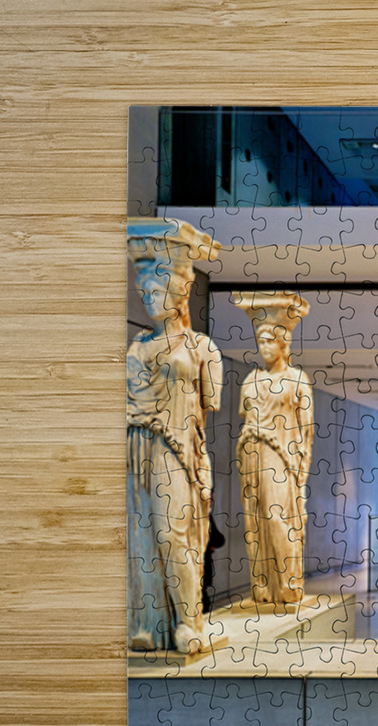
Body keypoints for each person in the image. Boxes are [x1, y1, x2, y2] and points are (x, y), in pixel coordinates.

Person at [126, 219, 223, 653]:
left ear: (181, 290)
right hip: (136, 445)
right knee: (141, 534)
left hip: (178, 448)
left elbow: (204, 410)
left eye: (157, 290)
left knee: (172, 534)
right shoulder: (136, 347)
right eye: (143, 292)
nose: (148, 299)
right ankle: (151, 620)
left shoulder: (202, 348)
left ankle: (189, 621)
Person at [232, 291, 314, 606]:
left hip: (282, 459)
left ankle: (289, 583)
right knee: (255, 521)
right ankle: (264, 587)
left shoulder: (298, 380)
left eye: (270, 341)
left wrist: (300, 474)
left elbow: (306, 433)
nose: (264, 347)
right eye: (260, 341)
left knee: (277, 517)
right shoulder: (251, 381)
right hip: (252, 454)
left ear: (284, 344)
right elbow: (245, 420)